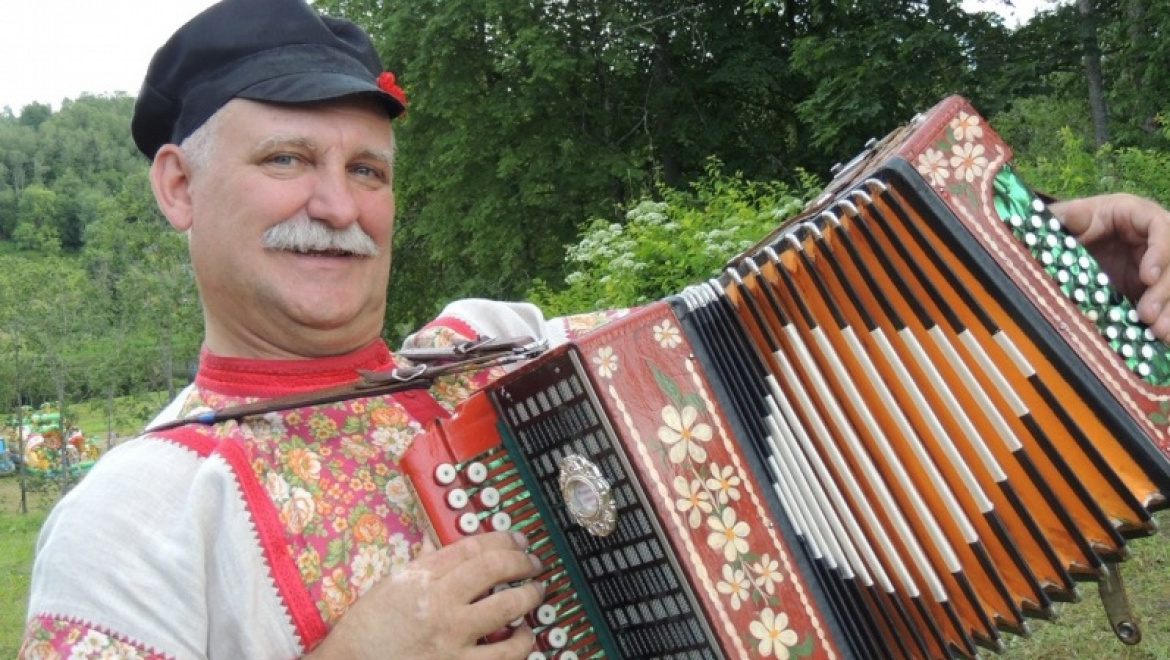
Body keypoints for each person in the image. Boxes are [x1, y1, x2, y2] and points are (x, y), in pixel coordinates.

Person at [18, 0, 1170, 658]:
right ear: (178, 186)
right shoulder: (133, 518)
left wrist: (1057, 268)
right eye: (287, 159)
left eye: (367, 169)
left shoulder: (500, 346)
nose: (337, 205)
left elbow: (775, 327)